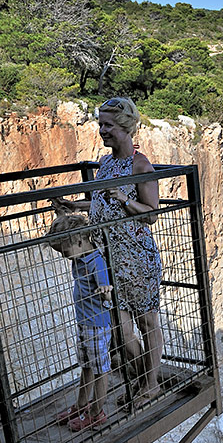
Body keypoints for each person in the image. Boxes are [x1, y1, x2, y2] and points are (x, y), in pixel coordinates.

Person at [52, 96, 163, 407]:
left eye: (108, 125)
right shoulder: (107, 164)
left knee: (147, 323)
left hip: (137, 260)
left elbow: (151, 213)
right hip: (110, 260)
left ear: (125, 127)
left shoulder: (141, 165)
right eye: (100, 124)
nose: (102, 130)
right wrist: (76, 205)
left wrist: (124, 199)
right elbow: (102, 202)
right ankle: (144, 379)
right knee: (123, 333)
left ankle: (150, 385)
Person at [47, 213, 112, 431]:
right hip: (85, 322)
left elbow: (108, 293)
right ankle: (81, 405)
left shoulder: (96, 262)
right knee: (87, 366)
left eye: (65, 251)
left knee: (100, 368)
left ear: (80, 240)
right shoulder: (79, 258)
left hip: (97, 325)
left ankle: (96, 413)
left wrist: (105, 292)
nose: (65, 257)